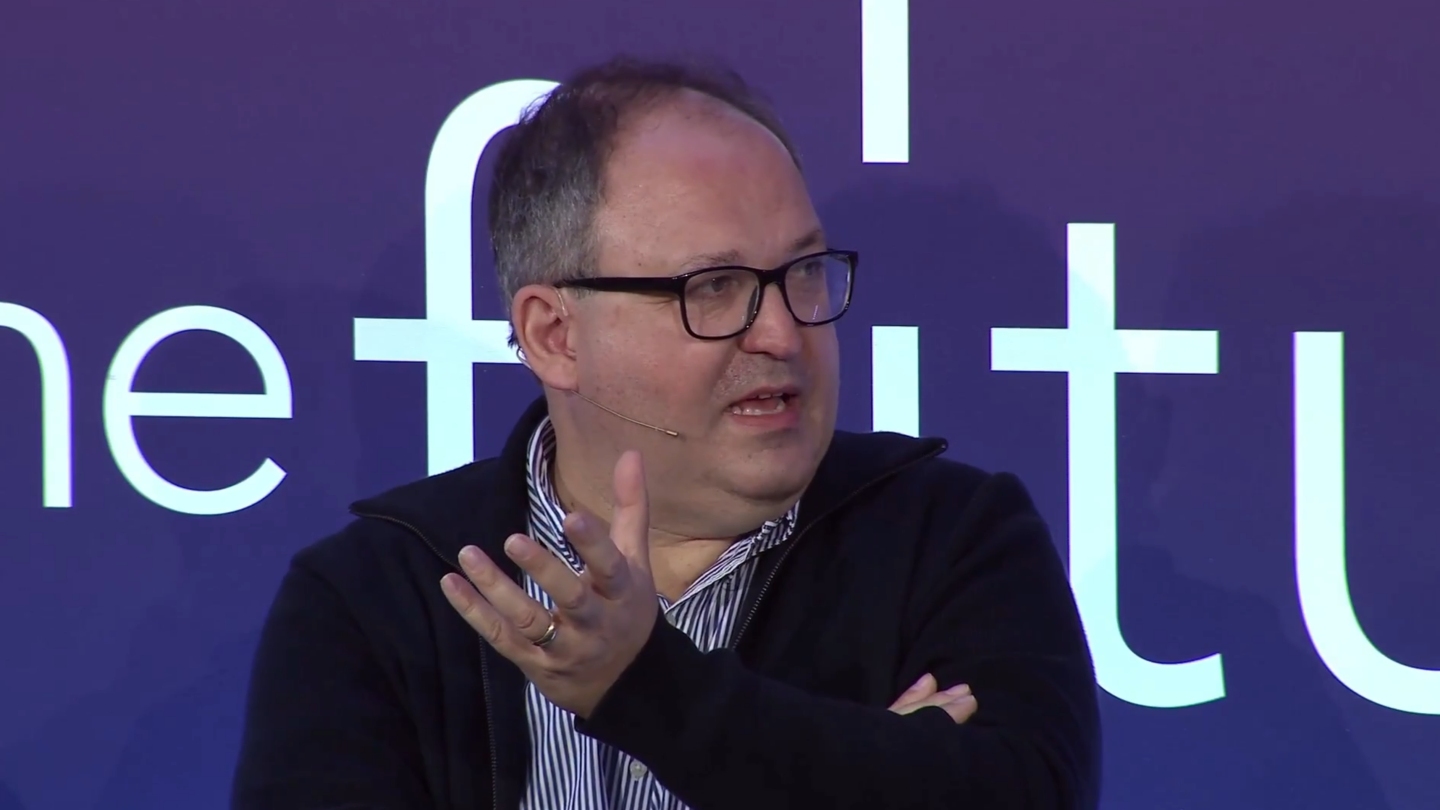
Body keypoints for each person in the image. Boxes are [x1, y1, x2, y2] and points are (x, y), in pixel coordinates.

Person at [232, 55, 1101, 810]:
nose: (782, 333)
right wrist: (862, 770)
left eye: (803, 272)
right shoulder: (381, 597)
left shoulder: (949, 540)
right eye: (713, 288)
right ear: (554, 335)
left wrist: (647, 689)